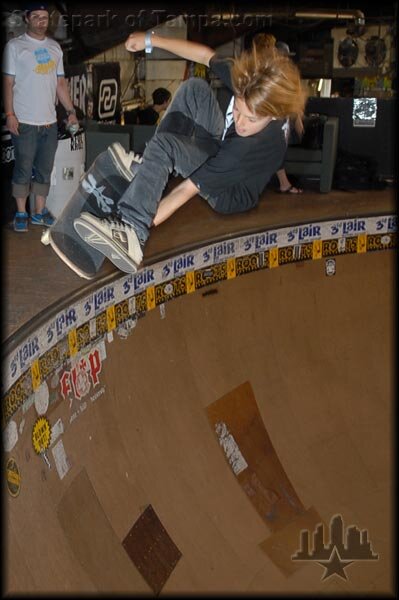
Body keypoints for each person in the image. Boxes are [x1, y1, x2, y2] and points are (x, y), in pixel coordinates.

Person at [73, 30, 307, 274]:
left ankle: (131, 231)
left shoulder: (250, 147)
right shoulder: (248, 83)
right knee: (194, 88)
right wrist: (151, 40)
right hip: (222, 143)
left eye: (251, 119)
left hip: (230, 191)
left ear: (274, 115)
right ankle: (149, 167)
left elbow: (185, 191)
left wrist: (140, 218)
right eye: (237, 110)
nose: (240, 122)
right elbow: (205, 55)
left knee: (166, 147)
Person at [2, 2, 79, 232]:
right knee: (23, 169)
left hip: (49, 122)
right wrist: (9, 114)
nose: (41, 21)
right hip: (24, 122)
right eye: (36, 16)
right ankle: (21, 213)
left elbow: (60, 84)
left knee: (45, 169)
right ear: (27, 19)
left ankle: (39, 213)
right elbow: (8, 82)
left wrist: (71, 112)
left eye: (44, 17)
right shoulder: (15, 47)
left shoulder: (55, 48)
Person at [254, 34, 305, 194]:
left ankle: (283, 183)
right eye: (272, 46)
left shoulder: (263, 66)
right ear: (267, 47)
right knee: (275, 145)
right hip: (265, 113)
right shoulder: (265, 67)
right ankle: (281, 183)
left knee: (276, 146)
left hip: (269, 112)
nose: (274, 50)